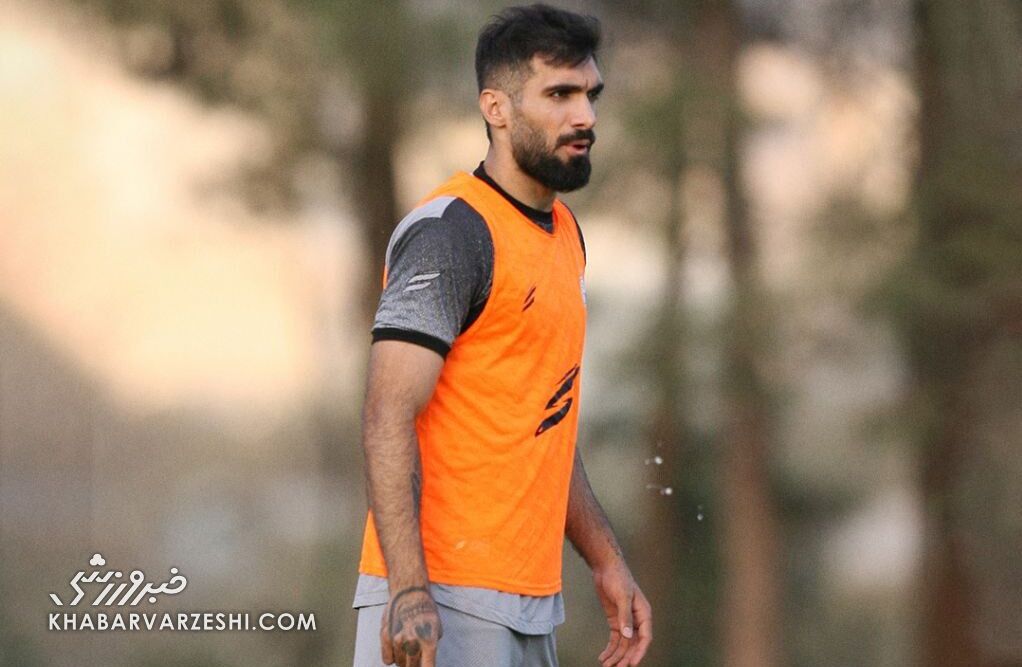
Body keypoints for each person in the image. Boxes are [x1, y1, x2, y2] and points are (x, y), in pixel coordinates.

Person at [352, 5, 652, 666]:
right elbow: (386, 414)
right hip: (441, 600)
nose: (585, 116)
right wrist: (409, 593)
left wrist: (606, 559)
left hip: (530, 603)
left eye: (591, 94)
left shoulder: (565, 235)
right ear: (497, 108)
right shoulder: (451, 232)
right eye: (559, 95)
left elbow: (545, 420)